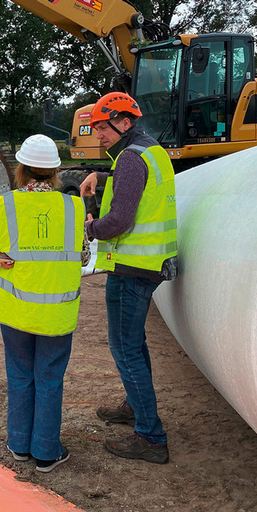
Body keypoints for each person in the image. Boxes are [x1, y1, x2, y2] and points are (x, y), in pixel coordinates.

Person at [0, 134, 89, 473]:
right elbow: (85, 256)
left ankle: (18, 445)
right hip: (57, 312)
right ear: (56, 171)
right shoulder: (74, 207)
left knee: (19, 374)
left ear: (22, 169)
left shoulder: (4, 205)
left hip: (15, 311)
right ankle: (46, 452)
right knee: (49, 378)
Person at [79, 91, 178, 465]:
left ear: (124, 122)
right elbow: (136, 182)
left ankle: (151, 438)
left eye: (102, 128)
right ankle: (135, 407)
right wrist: (101, 174)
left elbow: (119, 221)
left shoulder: (132, 158)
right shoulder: (149, 151)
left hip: (133, 268)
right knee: (133, 344)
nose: (98, 135)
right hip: (148, 265)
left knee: (124, 347)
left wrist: (91, 227)